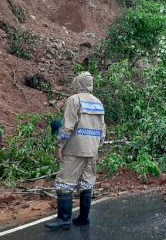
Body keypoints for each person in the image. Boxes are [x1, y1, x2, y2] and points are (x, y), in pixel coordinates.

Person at [45, 72, 106, 231]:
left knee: (64, 182)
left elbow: (68, 126)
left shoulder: (74, 99)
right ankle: (83, 218)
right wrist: (96, 146)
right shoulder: (98, 102)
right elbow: (103, 129)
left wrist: (61, 145)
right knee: (86, 183)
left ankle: (64, 220)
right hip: (92, 150)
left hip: (76, 149)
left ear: (78, 83)